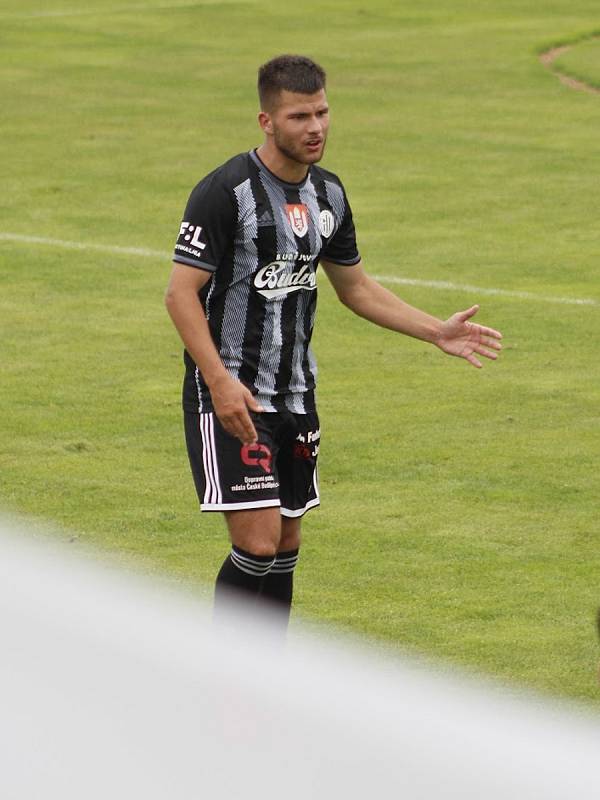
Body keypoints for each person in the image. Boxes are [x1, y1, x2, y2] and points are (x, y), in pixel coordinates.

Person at [165, 54, 502, 631]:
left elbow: (357, 287)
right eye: (299, 116)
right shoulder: (226, 191)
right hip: (232, 394)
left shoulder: (329, 194)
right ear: (267, 122)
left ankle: (268, 677)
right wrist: (219, 381)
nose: (315, 127)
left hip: (297, 393)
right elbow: (180, 294)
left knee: (288, 535)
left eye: (322, 112)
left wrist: (435, 332)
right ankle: (225, 678)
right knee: (260, 541)